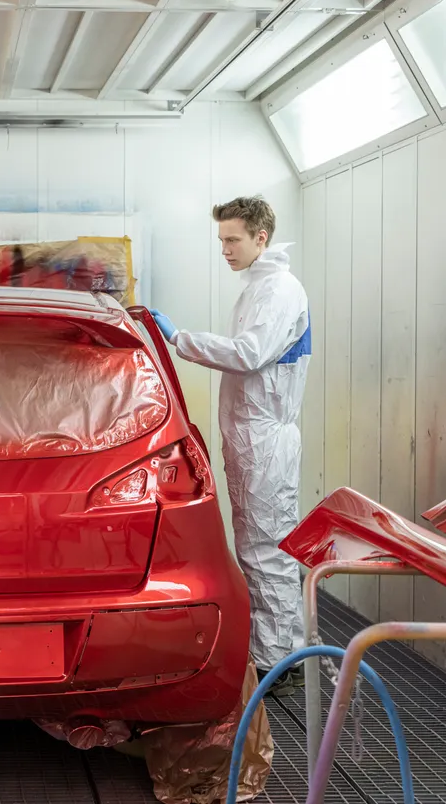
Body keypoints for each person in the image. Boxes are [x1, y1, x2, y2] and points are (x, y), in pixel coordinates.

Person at [149, 196, 311, 697]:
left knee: (267, 549)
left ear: (261, 237)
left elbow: (249, 354)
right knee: (257, 544)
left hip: (265, 438)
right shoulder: (259, 288)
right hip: (251, 436)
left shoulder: (279, 290)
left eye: (232, 239)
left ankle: (278, 663)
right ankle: (276, 649)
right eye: (221, 240)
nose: (225, 249)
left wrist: (182, 339)